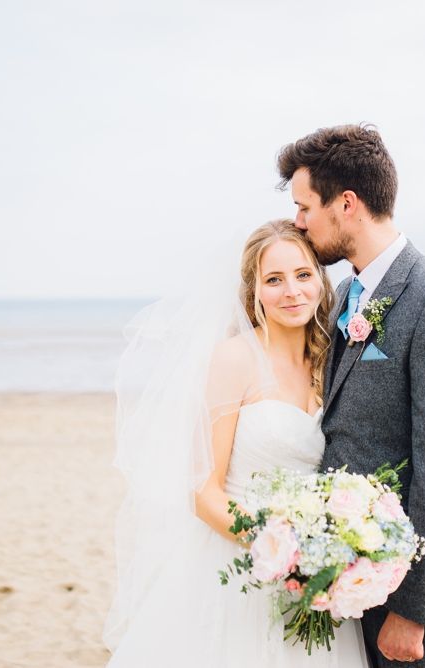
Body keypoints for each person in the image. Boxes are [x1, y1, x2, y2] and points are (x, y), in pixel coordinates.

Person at [277, 124, 425, 667]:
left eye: (305, 207)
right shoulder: (346, 294)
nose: (298, 222)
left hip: (414, 586)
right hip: (356, 574)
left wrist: (414, 609)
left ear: (346, 203)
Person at [104, 220, 369, 667]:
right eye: (274, 279)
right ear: (253, 292)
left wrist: (322, 553)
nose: (292, 291)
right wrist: (281, 549)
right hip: (239, 563)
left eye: (303, 275)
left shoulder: (330, 361)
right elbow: (203, 490)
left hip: (314, 576)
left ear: (321, 282)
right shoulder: (234, 359)